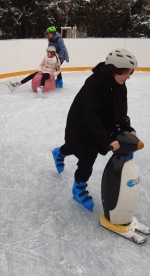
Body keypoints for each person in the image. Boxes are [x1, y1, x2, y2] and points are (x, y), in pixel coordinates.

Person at [52, 49, 138, 212]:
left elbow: (121, 111)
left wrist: (127, 127)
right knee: (87, 155)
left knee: (73, 148)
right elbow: (92, 116)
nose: (128, 77)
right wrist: (107, 140)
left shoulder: (120, 85)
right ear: (115, 70)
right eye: (126, 73)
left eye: (130, 73)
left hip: (100, 123)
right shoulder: (94, 83)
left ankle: (59, 152)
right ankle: (78, 188)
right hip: (81, 123)